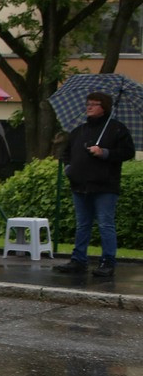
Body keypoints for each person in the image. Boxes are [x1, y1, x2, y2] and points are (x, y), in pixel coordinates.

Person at [53, 92, 136, 277]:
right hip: (80, 185)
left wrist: (105, 152)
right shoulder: (79, 131)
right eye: (88, 103)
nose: (89, 107)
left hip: (104, 186)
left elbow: (127, 152)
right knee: (83, 224)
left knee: (105, 224)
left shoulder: (116, 129)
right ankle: (78, 259)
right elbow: (67, 152)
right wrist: (69, 169)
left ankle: (107, 261)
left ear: (104, 107)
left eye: (94, 104)